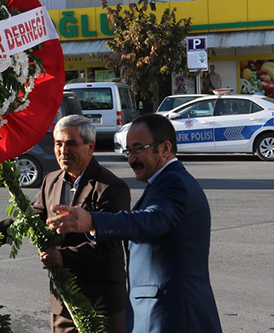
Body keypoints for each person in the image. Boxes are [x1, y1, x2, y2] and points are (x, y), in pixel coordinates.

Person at [47, 113, 223, 333]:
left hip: (171, 314)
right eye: (129, 151)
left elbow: (151, 219)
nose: (132, 159)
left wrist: (92, 220)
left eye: (139, 148)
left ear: (165, 148)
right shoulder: (162, 184)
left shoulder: (174, 183)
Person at [36, 114, 130, 333]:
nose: (63, 151)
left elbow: (109, 246)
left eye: (71, 144)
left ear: (90, 147)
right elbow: (30, 219)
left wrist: (63, 256)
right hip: (63, 305)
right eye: (58, 144)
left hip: (100, 304)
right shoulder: (50, 180)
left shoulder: (110, 187)